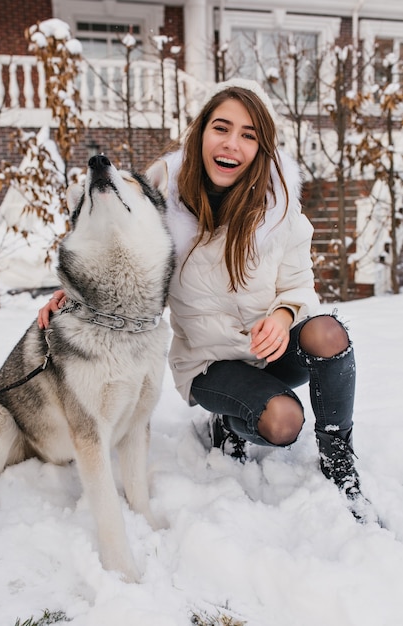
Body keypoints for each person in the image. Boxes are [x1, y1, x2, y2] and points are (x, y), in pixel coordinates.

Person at [38, 78, 371, 522]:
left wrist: (284, 312)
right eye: (222, 127)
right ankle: (227, 424)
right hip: (209, 363)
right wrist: (78, 295)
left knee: (328, 332)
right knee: (283, 423)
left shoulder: (279, 207)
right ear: (200, 133)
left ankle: (338, 455)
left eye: (249, 135)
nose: (233, 144)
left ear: (262, 147)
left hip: (266, 351)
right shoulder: (162, 204)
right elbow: (119, 253)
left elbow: (299, 284)